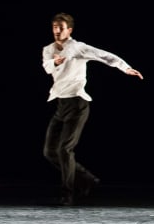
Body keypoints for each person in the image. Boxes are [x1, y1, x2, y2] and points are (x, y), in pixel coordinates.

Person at [42, 12, 144, 206]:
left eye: (61, 28)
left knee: (65, 149)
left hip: (78, 104)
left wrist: (125, 68)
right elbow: (47, 67)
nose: (57, 31)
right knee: (50, 152)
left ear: (69, 30)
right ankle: (87, 179)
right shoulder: (48, 49)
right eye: (54, 27)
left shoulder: (78, 47)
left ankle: (68, 193)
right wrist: (54, 61)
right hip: (60, 104)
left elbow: (104, 56)